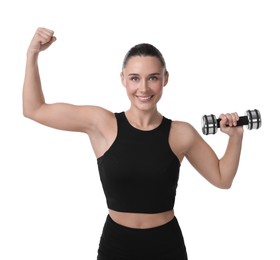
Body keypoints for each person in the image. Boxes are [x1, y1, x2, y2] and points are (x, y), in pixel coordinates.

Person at [22, 27, 244, 260]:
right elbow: (34, 109)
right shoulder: (101, 123)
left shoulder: (181, 133)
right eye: (135, 78)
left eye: (153, 78)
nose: (144, 88)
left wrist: (235, 138)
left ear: (165, 79)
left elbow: (222, 178)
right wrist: (32, 55)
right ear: (123, 79)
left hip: (167, 247)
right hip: (116, 247)